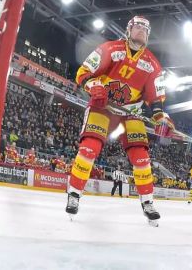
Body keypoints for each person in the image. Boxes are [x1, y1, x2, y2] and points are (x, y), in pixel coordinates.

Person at [65, 15, 168, 225]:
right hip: (103, 106)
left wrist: (160, 118)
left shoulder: (153, 65)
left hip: (131, 111)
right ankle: (74, 194)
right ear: (128, 30)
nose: (141, 30)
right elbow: (83, 73)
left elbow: (156, 99)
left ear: (148, 36)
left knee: (141, 158)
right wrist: (94, 86)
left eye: (145, 29)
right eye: (137, 26)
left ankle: (147, 201)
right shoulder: (110, 49)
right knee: (89, 149)